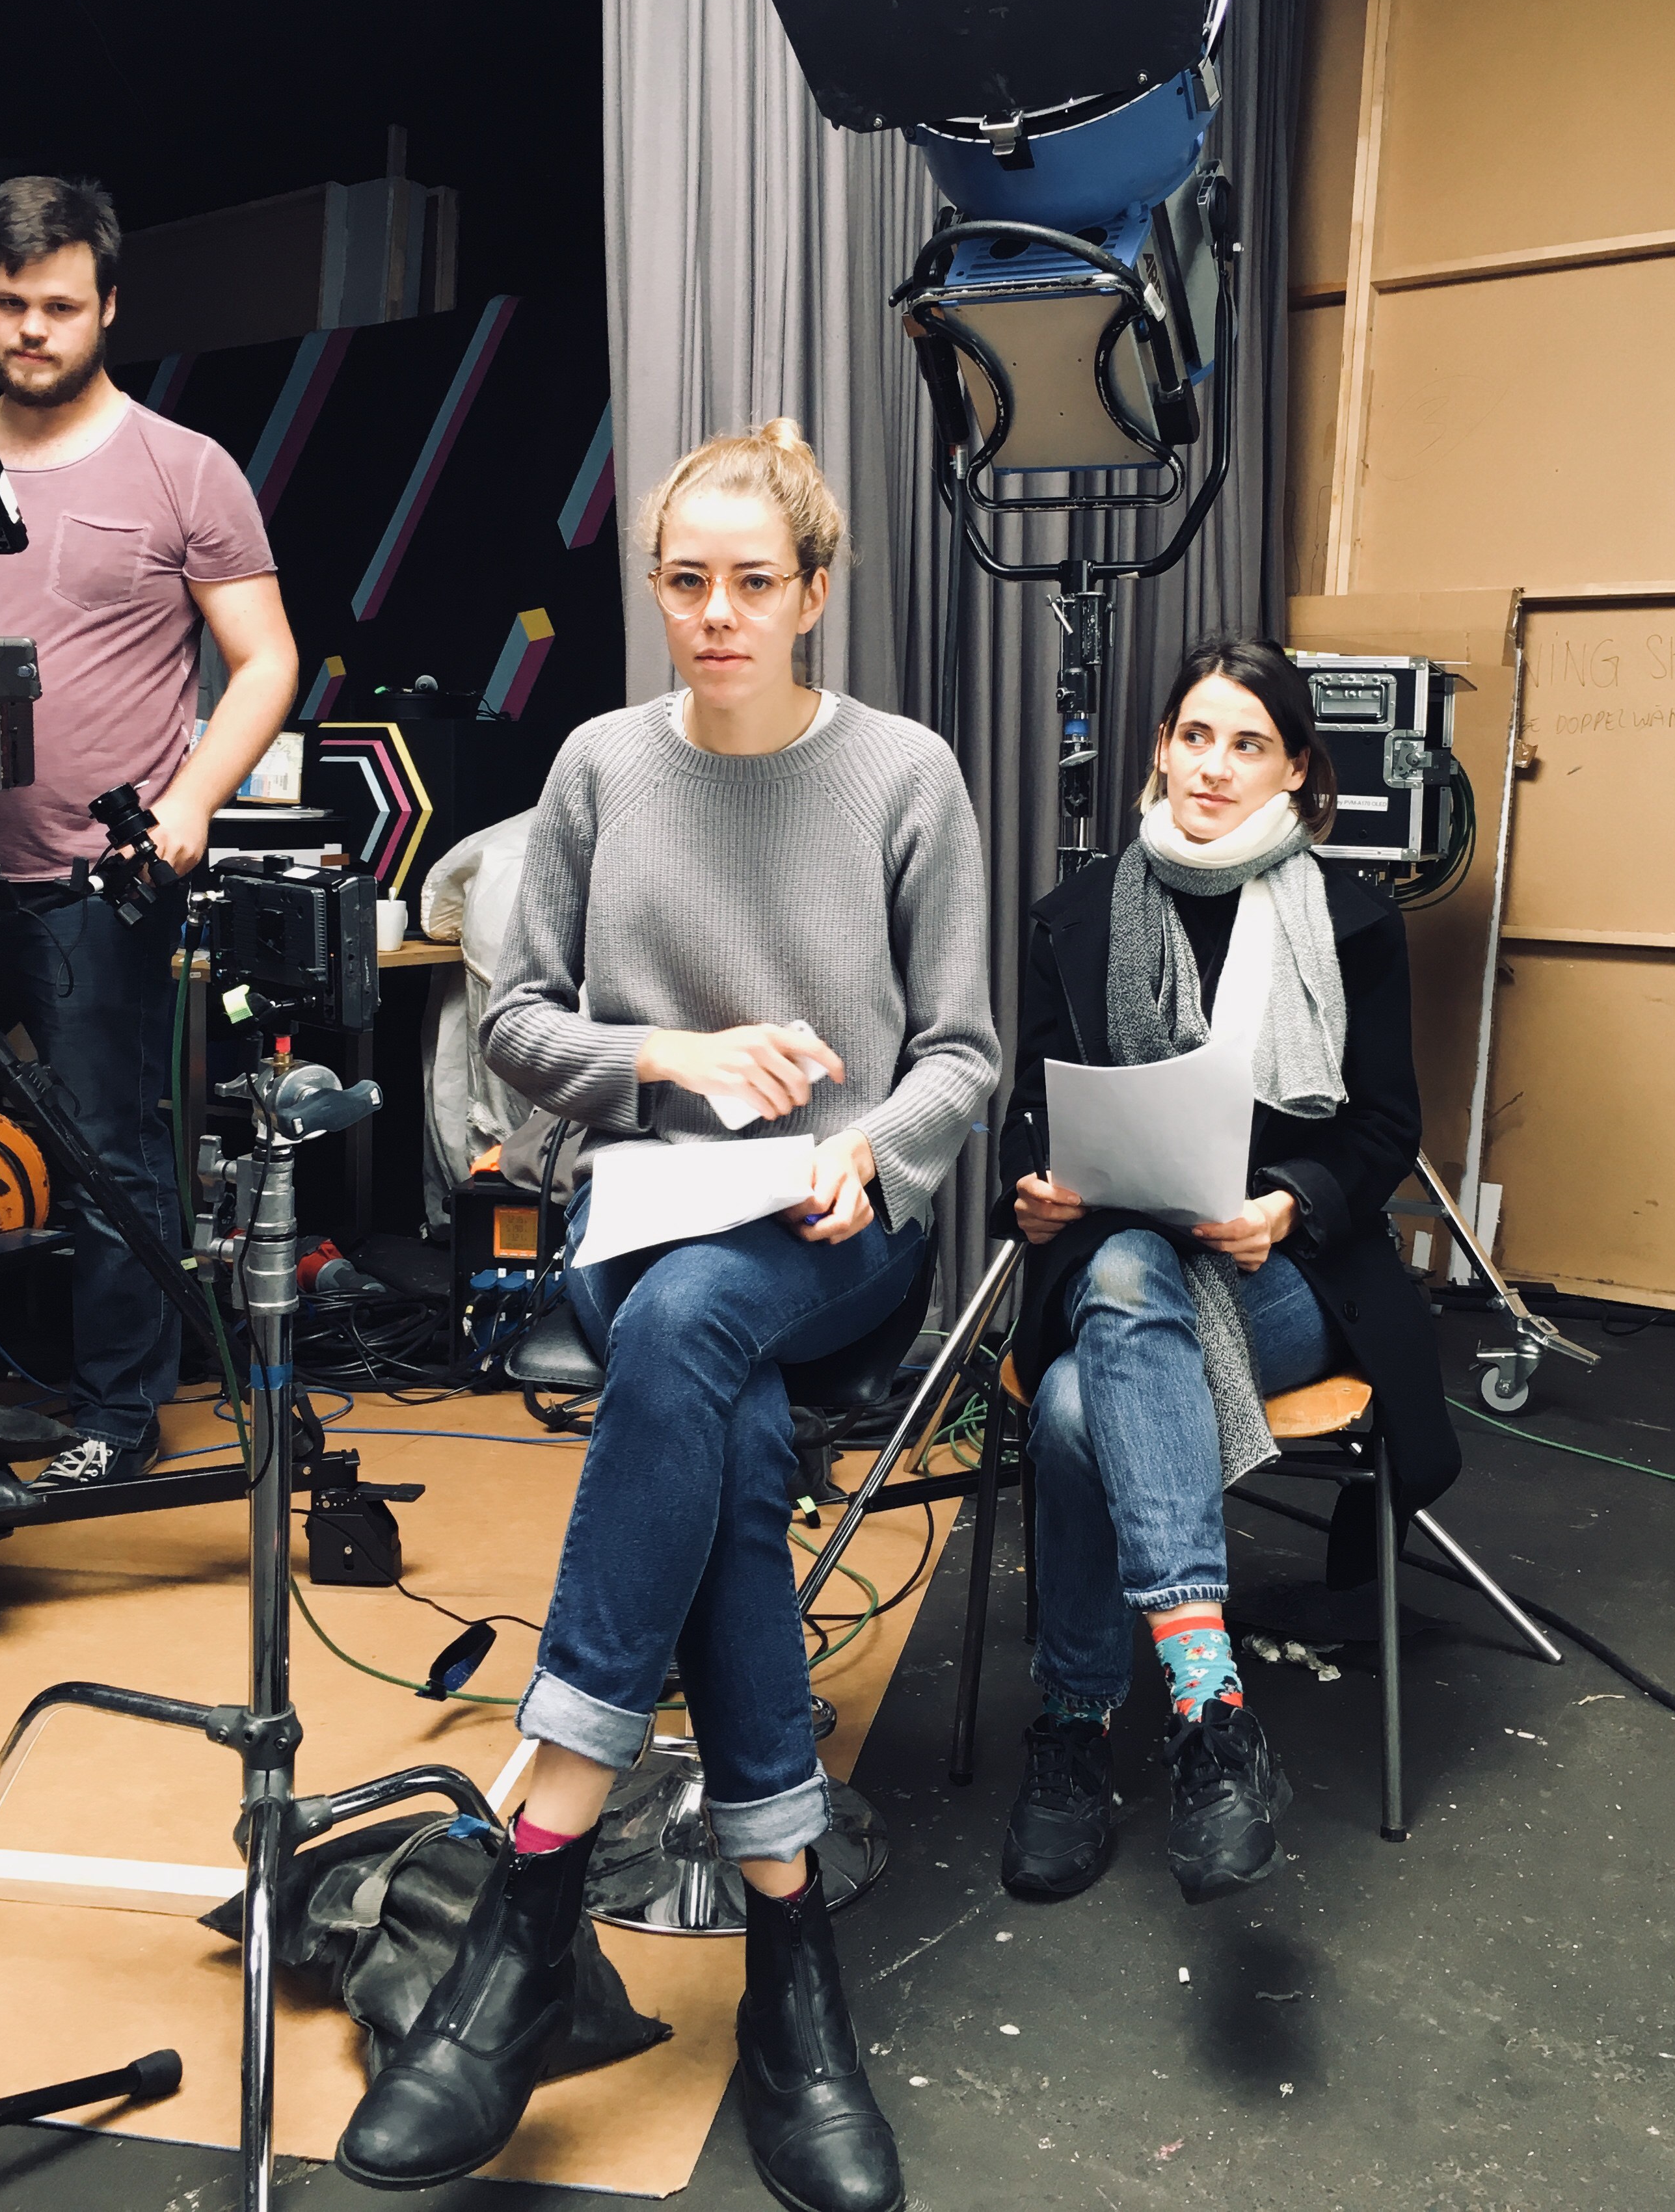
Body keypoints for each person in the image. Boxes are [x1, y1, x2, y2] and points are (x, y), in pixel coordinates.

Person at [337, 419, 998, 2212]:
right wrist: (672, 1058)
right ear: (656, 587)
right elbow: (517, 1022)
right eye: (686, 581)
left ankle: (534, 1888)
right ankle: (796, 1980)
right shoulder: (600, 768)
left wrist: (869, 1147)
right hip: (640, 1209)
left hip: (836, 1229)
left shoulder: (908, 776)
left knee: (702, 1342)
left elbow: (961, 1056)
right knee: (717, 1389)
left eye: (752, 583)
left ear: (814, 592)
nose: (716, 613)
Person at [994, 636, 1458, 1906]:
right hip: (1113, 1264)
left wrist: (1289, 1204)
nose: (1214, 765)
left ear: (1295, 769)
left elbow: (1384, 1129)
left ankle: (1077, 1725)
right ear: (1161, 747)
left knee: (1087, 1391)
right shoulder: (1076, 916)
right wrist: (1030, 1190)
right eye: (1195, 735)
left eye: (1248, 744)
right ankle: (1210, 1714)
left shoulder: (1353, 922)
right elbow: (1030, 1113)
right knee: (1118, 1296)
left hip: (1287, 1280)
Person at [0, 176, 298, 1481]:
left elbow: (268, 659)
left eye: (60, 306)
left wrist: (188, 805)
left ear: (109, 305)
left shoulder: (186, 469)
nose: (31, 329)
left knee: (107, 1154)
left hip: (95, 881)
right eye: (10, 302)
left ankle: (116, 1420)